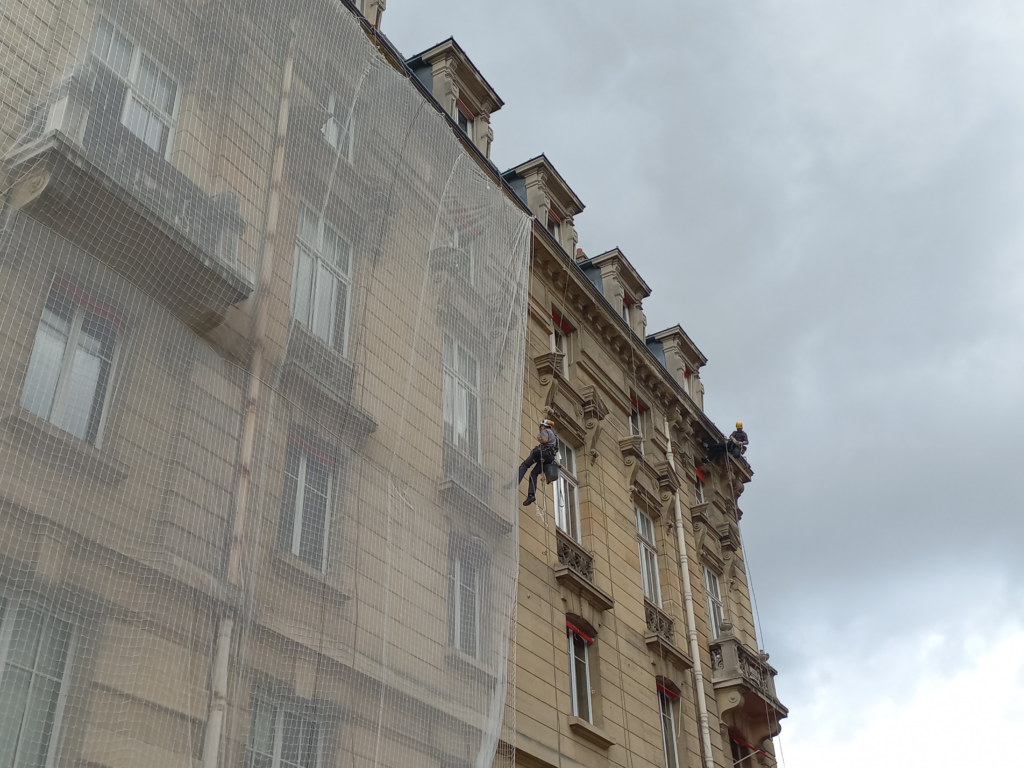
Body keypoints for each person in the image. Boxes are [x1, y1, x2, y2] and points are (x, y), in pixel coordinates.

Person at [518, 418, 559, 506]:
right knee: (534, 473)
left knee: (525, 465)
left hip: (543, 452)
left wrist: (539, 437)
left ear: (543, 426)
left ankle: (517, 480)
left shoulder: (545, 430)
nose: (540, 430)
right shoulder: (554, 436)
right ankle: (531, 495)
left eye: (540, 428)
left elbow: (544, 440)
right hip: (549, 457)